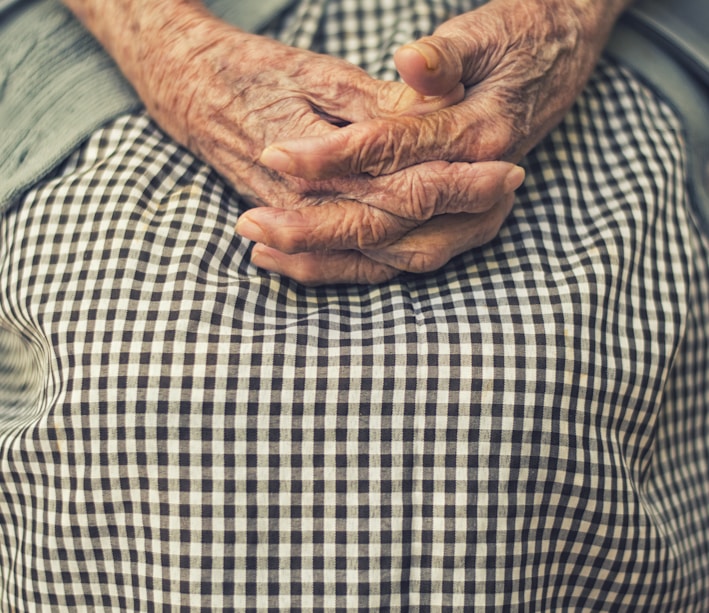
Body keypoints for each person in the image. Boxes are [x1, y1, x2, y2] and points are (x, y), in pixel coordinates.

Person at [0, 0, 707, 610]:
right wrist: (178, 55)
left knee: (529, 403)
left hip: (579, 32)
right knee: (133, 390)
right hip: (137, 28)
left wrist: (564, 20)